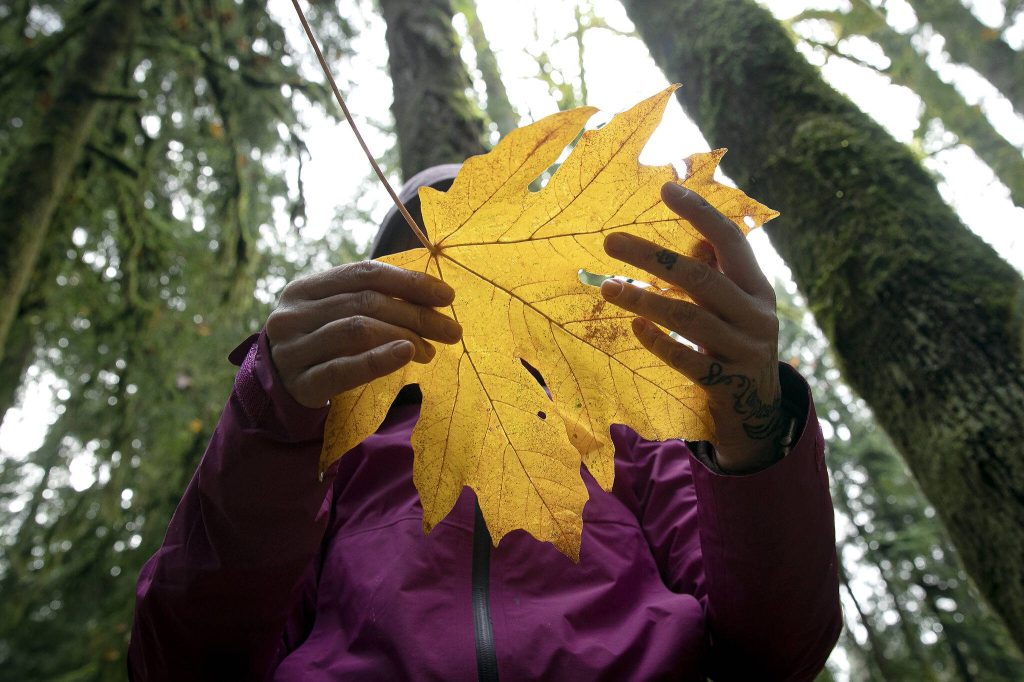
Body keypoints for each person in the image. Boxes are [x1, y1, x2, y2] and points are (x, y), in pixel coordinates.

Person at [128, 165, 842, 681]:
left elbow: (777, 651)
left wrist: (754, 429)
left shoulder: (623, 432)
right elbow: (186, 662)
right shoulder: (330, 451)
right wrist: (271, 416)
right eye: (413, 248)